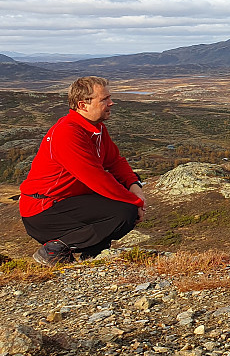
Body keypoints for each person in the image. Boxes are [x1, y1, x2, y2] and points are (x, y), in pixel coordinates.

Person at [19, 76, 147, 265]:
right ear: (83, 105)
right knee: (125, 211)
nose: (111, 103)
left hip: (66, 202)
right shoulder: (67, 132)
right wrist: (135, 202)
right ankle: (55, 249)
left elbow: (116, 162)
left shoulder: (97, 129)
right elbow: (96, 178)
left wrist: (134, 185)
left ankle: (93, 253)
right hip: (44, 211)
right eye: (104, 99)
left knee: (122, 199)